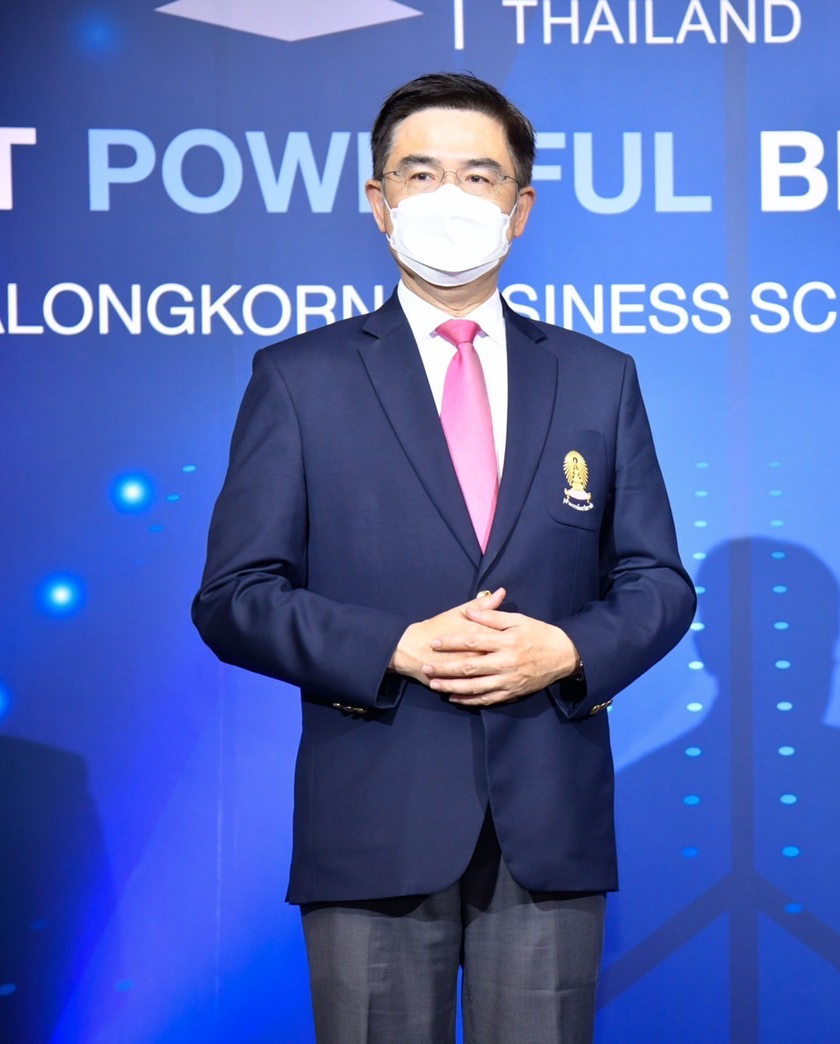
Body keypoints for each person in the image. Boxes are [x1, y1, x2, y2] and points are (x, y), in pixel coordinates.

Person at [192, 72, 696, 1043]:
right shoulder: (298, 379)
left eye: (479, 175)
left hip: (546, 824)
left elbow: (656, 582)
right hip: (371, 818)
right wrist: (392, 645)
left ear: (520, 208)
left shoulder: (597, 377)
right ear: (378, 201)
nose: (450, 198)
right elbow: (234, 596)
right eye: (421, 174)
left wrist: (567, 651)